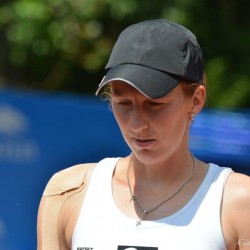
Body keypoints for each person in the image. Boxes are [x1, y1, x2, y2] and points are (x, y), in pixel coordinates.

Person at [37, 19, 250, 250]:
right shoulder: (67, 193)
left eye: (154, 105)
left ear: (196, 101)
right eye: (124, 103)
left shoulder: (239, 202)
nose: (137, 124)